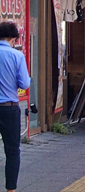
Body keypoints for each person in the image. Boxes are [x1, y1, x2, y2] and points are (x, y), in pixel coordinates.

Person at [0, 22, 30, 191]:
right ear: (13, 39)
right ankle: (10, 189)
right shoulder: (16, 56)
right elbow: (24, 83)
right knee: (12, 151)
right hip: (9, 108)